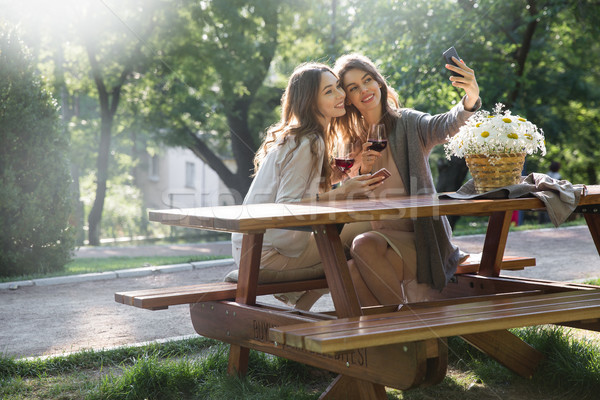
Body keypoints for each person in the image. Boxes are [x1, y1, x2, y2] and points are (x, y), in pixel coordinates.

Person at [226, 62, 383, 309]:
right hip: (268, 254)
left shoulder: (302, 136)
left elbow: (304, 187)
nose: (341, 95)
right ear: (310, 101)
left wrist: (343, 174)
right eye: (328, 91)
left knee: (349, 236)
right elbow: (288, 206)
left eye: (338, 87)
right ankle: (364, 314)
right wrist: (344, 192)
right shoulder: (307, 143)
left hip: (252, 246)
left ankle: (303, 307)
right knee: (370, 227)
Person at [332, 53, 481, 306]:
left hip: (422, 238)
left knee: (362, 246)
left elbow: (445, 125)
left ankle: (404, 326)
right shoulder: (351, 142)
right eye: (354, 88)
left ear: (379, 82)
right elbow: (334, 182)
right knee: (351, 271)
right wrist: (360, 172)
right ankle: (398, 338)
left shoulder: (408, 123)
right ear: (348, 99)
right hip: (381, 239)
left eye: (368, 80)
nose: (364, 90)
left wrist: (471, 97)